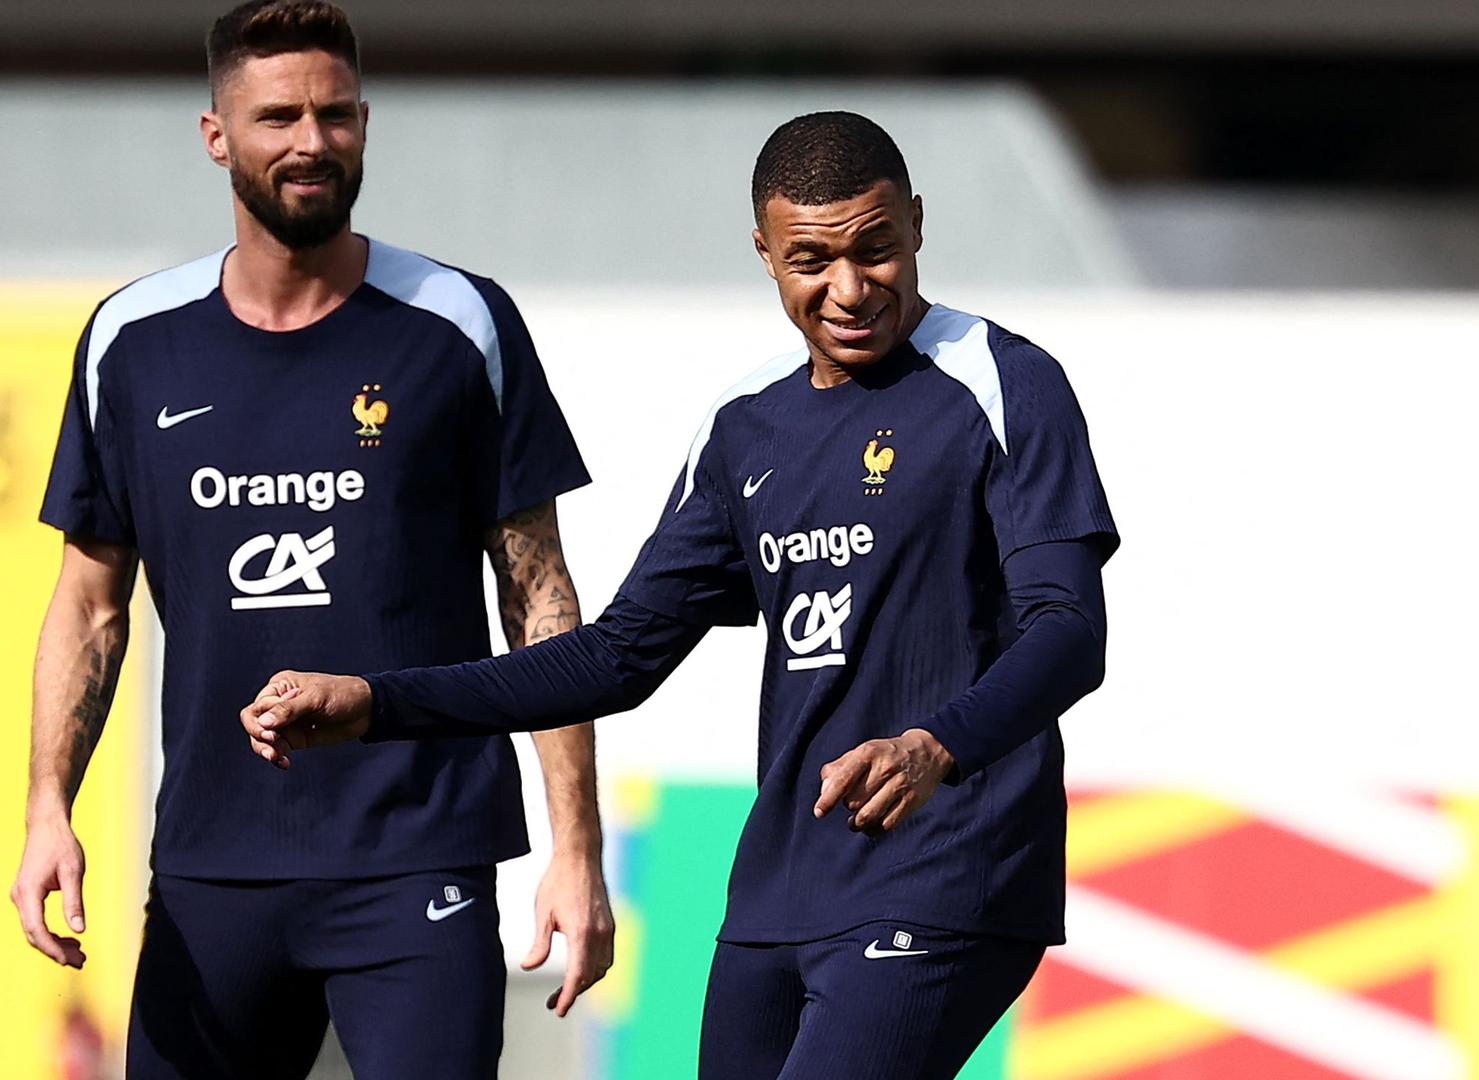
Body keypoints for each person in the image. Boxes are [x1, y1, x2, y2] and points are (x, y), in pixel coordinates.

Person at [243, 110, 1119, 1080]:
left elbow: (1070, 631)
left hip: (949, 868)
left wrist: (934, 747)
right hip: (777, 895)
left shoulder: (1004, 382)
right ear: (764, 253)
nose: (850, 287)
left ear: (917, 222)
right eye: (811, 260)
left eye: (877, 248)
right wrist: (377, 703)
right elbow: (617, 655)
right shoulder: (747, 427)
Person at [11, 3, 614, 1077]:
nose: (310, 142)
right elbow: (91, 604)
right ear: (216, 134)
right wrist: (47, 806)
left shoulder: (460, 323)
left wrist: (577, 846)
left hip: (417, 855)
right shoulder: (131, 342)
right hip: (212, 865)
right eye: (278, 115)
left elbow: (539, 600)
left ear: (366, 125)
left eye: (335, 115)